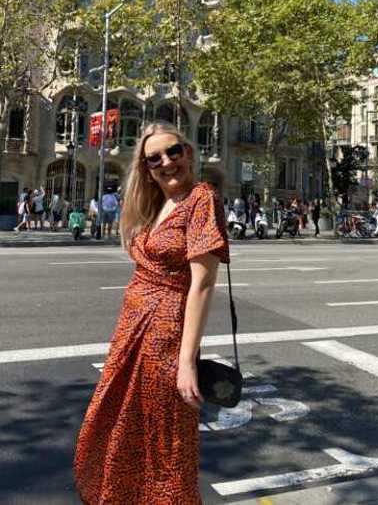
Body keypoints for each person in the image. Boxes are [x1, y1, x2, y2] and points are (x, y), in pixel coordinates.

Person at [75, 123, 228, 503]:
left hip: (166, 334)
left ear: (188, 152)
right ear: (145, 168)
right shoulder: (156, 203)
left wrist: (186, 361)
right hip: (132, 328)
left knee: (165, 435)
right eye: (154, 158)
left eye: (173, 151)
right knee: (120, 419)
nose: (166, 162)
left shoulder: (202, 198)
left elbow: (203, 284)